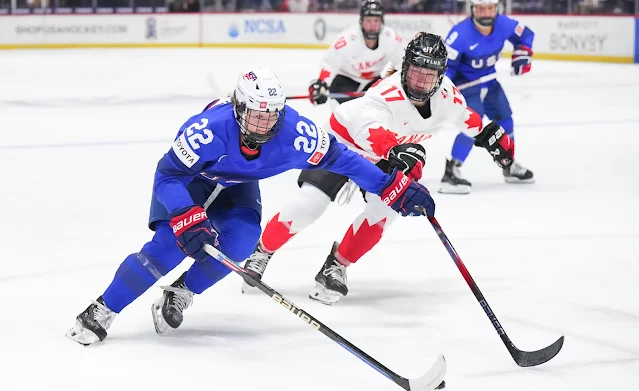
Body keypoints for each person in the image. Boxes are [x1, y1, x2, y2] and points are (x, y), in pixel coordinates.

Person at [66, 68, 436, 345]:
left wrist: (391, 187)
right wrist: (183, 213)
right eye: (256, 114)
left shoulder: (296, 134)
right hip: (190, 182)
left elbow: (343, 160)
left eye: (271, 115)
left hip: (237, 187)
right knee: (169, 248)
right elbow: (167, 176)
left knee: (242, 241)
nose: (264, 124)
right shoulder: (208, 129)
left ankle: (182, 292)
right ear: (238, 107)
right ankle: (103, 308)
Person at [242, 33, 515, 305]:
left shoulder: (448, 96)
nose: (420, 82)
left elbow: (465, 117)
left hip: (388, 153)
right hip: (343, 145)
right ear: (405, 67)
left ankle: (335, 266)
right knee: (309, 204)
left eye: (428, 76)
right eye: (416, 72)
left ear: (440, 77)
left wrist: (488, 133)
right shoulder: (385, 94)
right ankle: (262, 251)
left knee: (386, 210)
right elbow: (369, 132)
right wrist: (397, 149)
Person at [440, 0, 535, 194]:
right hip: (466, 85)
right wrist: (444, 92)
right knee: (473, 122)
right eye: (481, 8)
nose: (486, 13)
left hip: (490, 82)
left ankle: (508, 165)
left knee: (505, 119)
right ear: (473, 9)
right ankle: (452, 170)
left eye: (490, 8)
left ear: (496, 9)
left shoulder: (504, 24)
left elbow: (525, 35)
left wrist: (523, 52)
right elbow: (446, 68)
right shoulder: (459, 35)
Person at [308, 0, 404, 108]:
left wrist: (399, 83)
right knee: (342, 115)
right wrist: (322, 84)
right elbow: (329, 64)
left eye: (376, 20)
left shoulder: (391, 38)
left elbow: (401, 64)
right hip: (345, 80)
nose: (372, 25)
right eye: (368, 20)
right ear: (361, 21)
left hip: (372, 83)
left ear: (382, 21)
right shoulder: (347, 40)